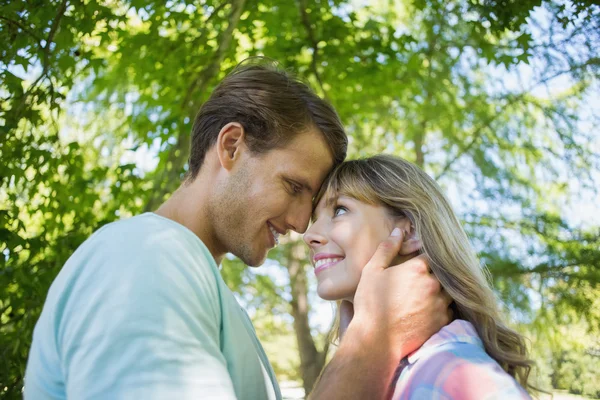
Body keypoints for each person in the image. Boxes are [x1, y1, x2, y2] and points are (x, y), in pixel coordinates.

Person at [24, 61, 451, 400]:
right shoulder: (147, 257)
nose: (302, 224)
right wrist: (373, 342)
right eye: (294, 187)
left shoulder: (199, 289)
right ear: (231, 146)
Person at [305, 155, 535, 399]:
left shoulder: (455, 375)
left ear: (409, 232)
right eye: (315, 219)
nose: (309, 235)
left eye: (340, 210)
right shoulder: (402, 372)